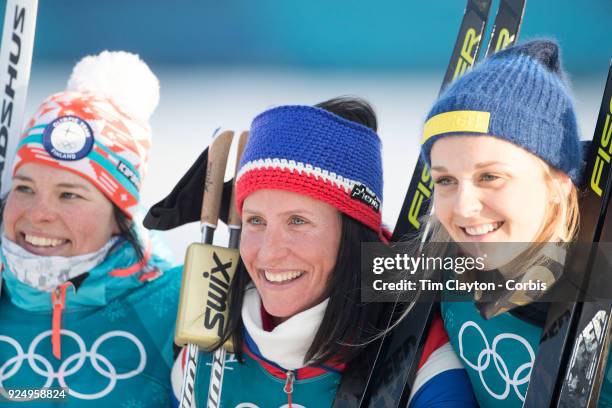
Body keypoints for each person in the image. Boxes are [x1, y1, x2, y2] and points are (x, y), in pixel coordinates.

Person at [168, 97, 394, 407]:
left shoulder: (413, 328)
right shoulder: (202, 353)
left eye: (298, 221)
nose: (269, 253)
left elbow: (482, 268)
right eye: (256, 221)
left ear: (352, 233)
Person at [407, 40, 584, 407]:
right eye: (445, 180)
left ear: (557, 186)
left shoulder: (595, 306)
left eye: (490, 177)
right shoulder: (445, 273)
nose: (465, 207)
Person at [0, 51, 180, 406]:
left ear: (121, 216)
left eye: (69, 194)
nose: (39, 214)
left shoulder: (175, 304)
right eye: (25, 188)